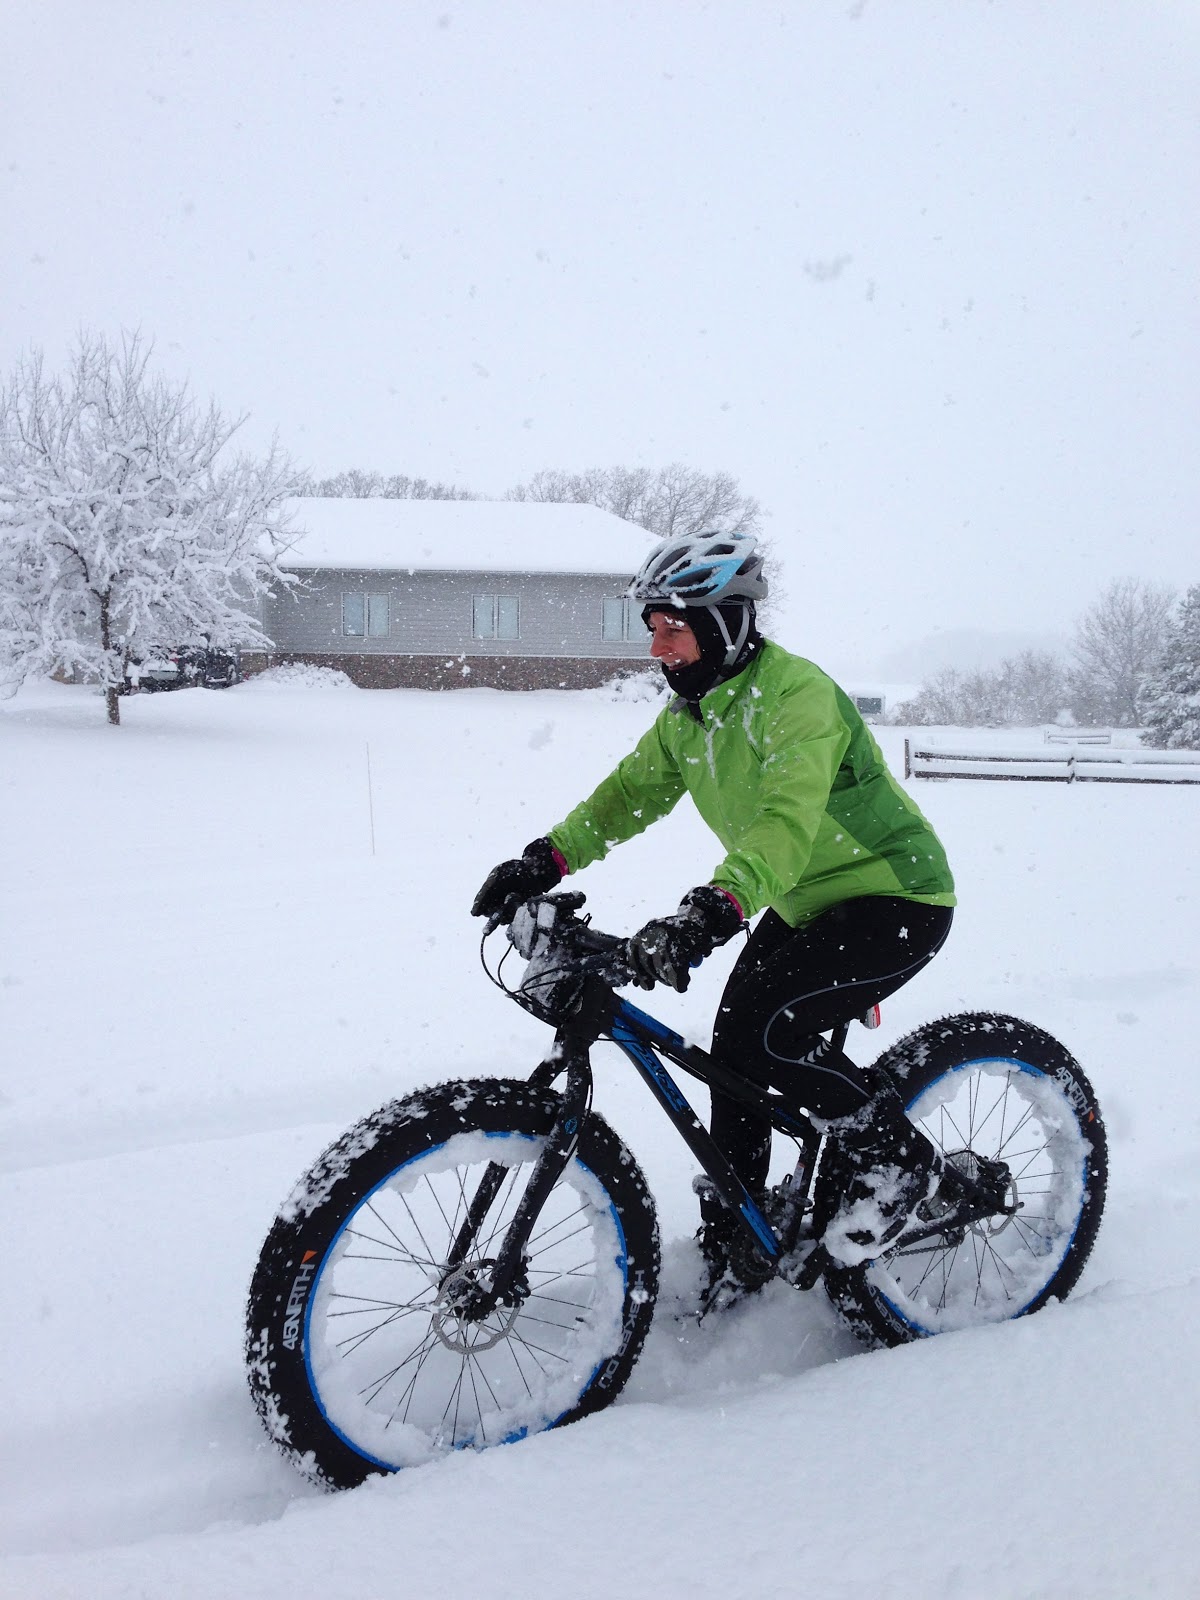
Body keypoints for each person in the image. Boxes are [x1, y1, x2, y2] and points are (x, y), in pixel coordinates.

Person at [472, 531, 956, 1310]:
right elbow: (627, 796)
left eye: (674, 626)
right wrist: (546, 860)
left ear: (726, 623)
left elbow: (784, 823)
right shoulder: (689, 716)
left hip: (894, 895)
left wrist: (711, 910)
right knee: (733, 1049)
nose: (658, 647)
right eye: (652, 628)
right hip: (799, 898)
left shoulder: (798, 697)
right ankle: (743, 1226)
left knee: (771, 1036)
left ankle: (900, 1163)